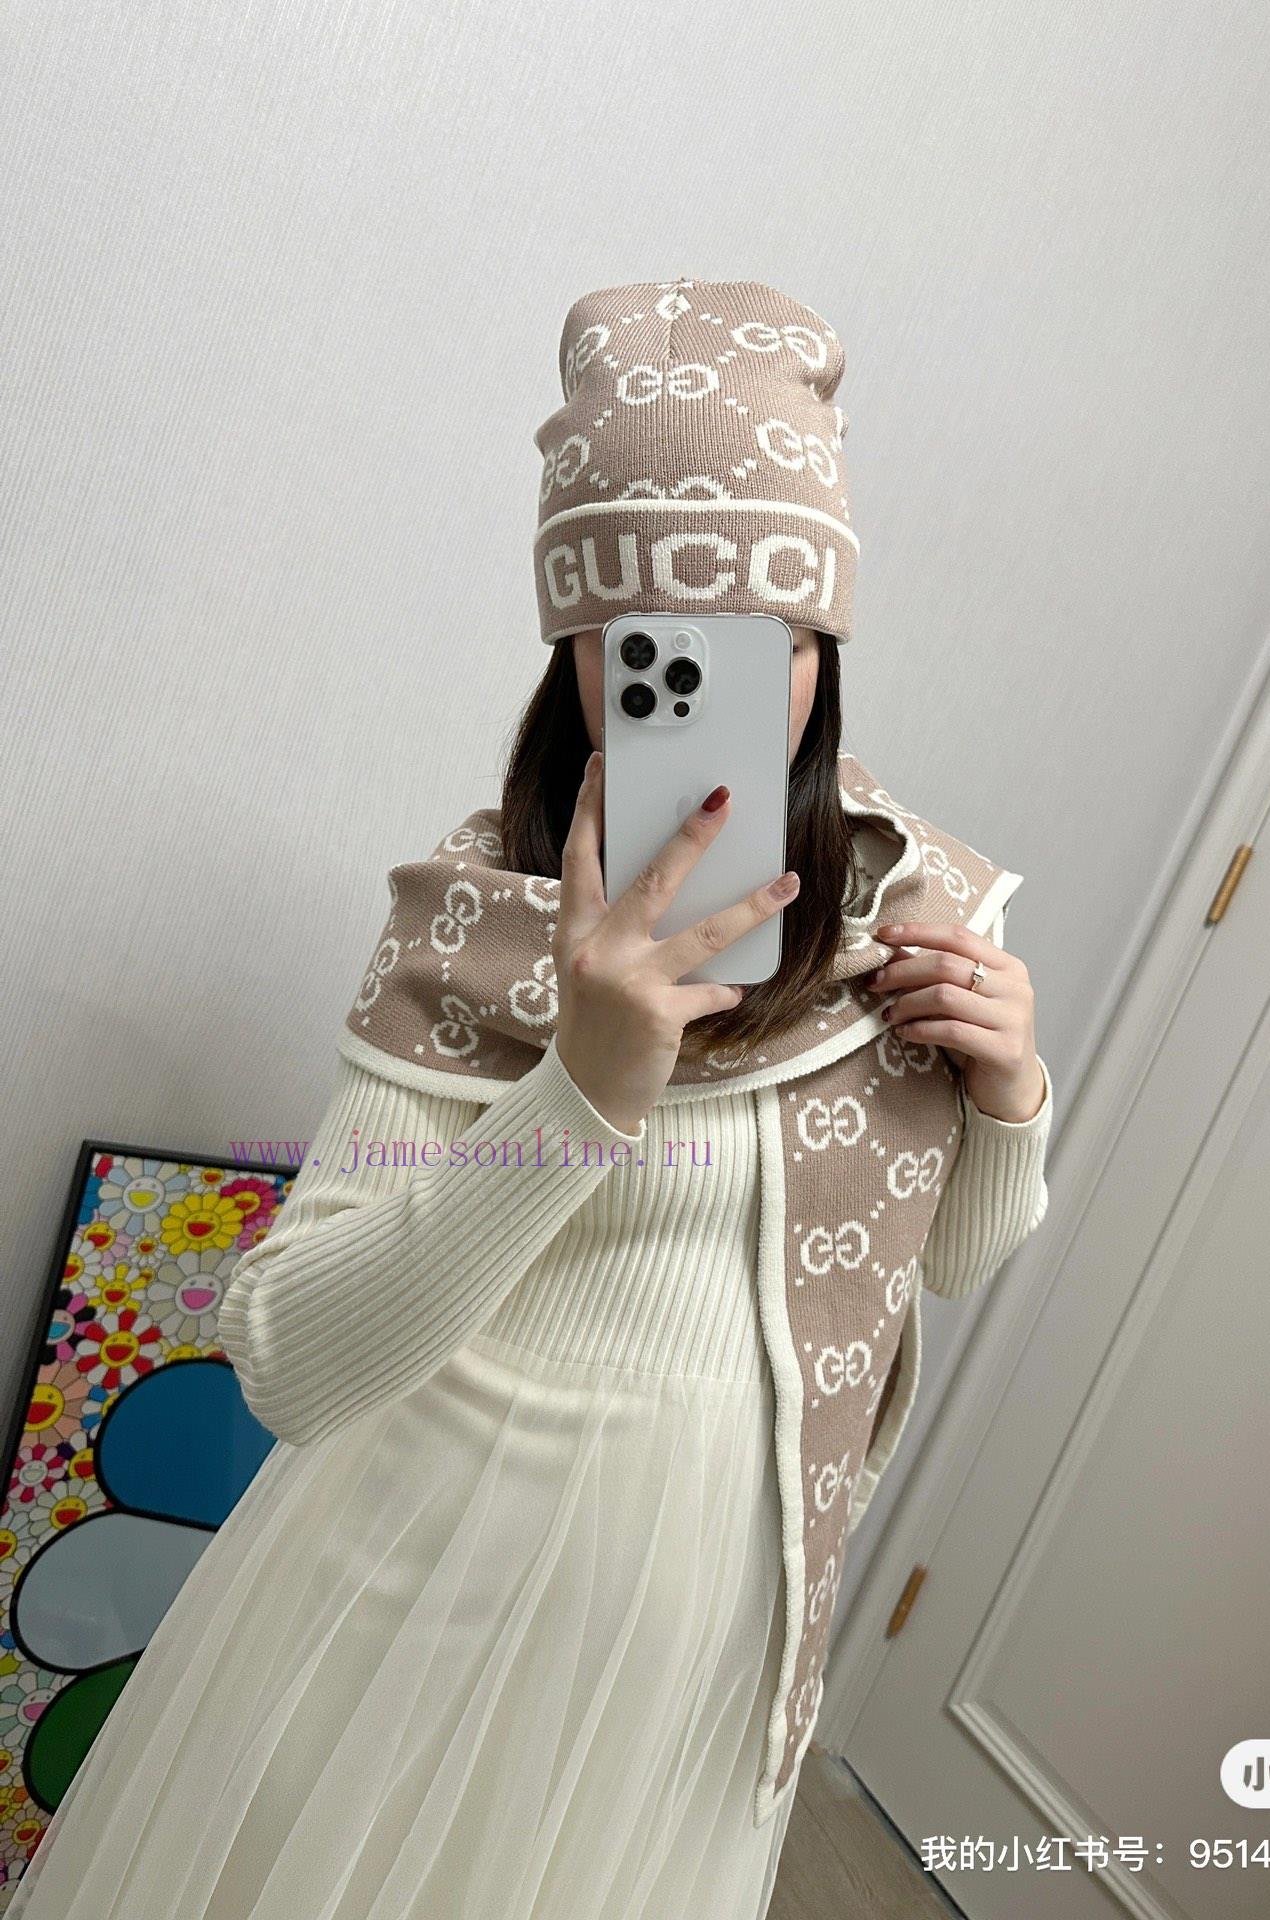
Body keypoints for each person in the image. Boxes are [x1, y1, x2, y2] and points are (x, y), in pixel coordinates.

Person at [8, 279, 1053, 1920]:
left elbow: (953, 1264)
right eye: (654, 647)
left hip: (707, 1630)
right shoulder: (468, 923)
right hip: (408, 1595)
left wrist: (1011, 1093)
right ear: (573, 649)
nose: (715, 685)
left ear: (826, 648)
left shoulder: (916, 910)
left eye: (769, 644)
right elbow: (290, 1363)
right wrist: (586, 1082)